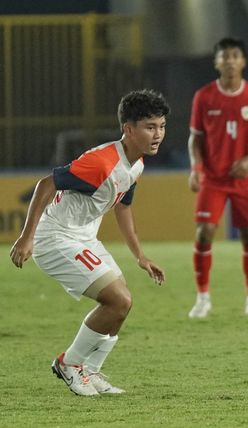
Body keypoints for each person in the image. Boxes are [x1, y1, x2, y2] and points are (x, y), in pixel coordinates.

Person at [9, 89, 170, 396]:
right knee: (117, 300)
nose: (158, 134)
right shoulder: (102, 162)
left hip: (83, 238)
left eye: (161, 126)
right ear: (128, 128)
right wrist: (26, 237)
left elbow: (123, 206)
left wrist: (140, 256)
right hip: (56, 237)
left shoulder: (135, 165)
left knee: (123, 304)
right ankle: (69, 363)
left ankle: (90, 370)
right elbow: (46, 184)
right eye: (150, 127)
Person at [187, 37, 248, 319]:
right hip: (213, 178)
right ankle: (202, 299)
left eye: (235, 55)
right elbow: (195, 138)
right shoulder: (204, 96)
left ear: (243, 61)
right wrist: (195, 168)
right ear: (216, 62)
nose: (229, 61)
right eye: (224, 56)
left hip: (245, 179)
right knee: (204, 233)